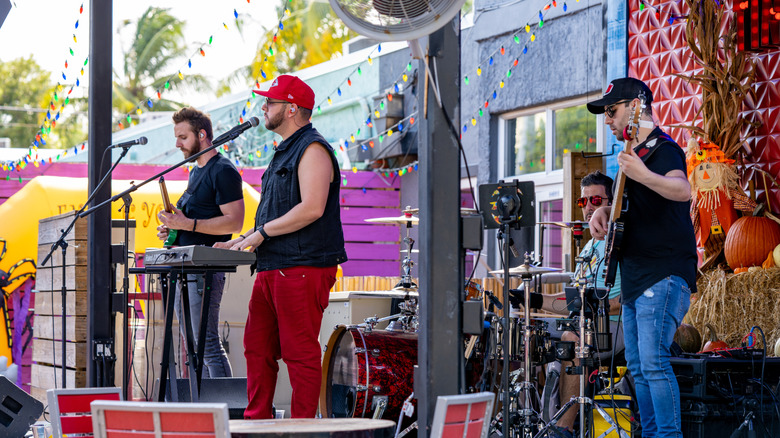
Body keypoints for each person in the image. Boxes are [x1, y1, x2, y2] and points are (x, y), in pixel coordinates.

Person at [214, 75, 348, 419]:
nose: (263, 108)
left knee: (299, 353)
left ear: (291, 109)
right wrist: (244, 239)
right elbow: (279, 214)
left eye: (270, 102)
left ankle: (304, 426)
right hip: (273, 265)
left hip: (303, 266)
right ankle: (256, 422)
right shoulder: (284, 151)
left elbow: (312, 207)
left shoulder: (314, 149)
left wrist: (260, 235)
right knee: (256, 348)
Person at [587, 77, 697, 438]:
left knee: (653, 362)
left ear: (637, 105)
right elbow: (626, 208)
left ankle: (668, 435)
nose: (608, 119)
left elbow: (682, 190)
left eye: (612, 110)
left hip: (661, 272)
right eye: (606, 113)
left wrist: (644, 174)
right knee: (638, 366)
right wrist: (603, 213)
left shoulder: (663, 149)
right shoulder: (631, 157)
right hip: (635, 276)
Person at [156, 106, 245, 378]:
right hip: (186, 268)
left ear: (202, 135)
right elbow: (192, 220)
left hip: (204, 269)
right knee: (193, 346)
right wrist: (173, 230)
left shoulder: (223, 171)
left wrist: (188, 225)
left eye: (183, 137)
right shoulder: (196, 173)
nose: (177, 144)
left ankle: (226, 412)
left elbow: (235, 222)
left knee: (206, 345)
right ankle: (204, 411)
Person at [537, 170, 624, 438]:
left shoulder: (622, 242)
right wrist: (535, 299)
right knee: (532, 336)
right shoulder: (587, 249)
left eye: (596, 201)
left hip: (616, 325)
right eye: (583, 201)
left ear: (610, 204)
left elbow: (625, 300)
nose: (588, 208)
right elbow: (572, 302)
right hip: (585, 322)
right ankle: (538, 421)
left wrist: (594, 309)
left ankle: (562, 431)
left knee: (574, 342)